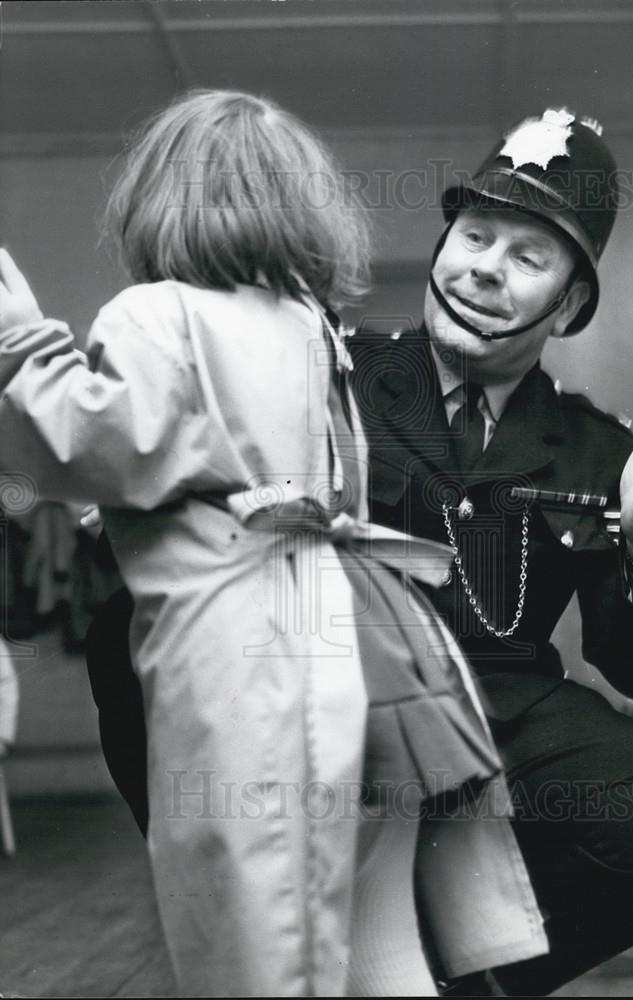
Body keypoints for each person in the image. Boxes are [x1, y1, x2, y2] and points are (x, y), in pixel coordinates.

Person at [82, 107, 633, 996]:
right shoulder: (327, 371)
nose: (483, 267)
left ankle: (457, 982)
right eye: (474, 234)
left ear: (573, 301)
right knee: (126, 617)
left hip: (506, 721)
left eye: (527, 257)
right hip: (336, 706)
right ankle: (248, 915)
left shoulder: (597, 450)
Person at [0, 90, 552, 997]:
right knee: (378, 930)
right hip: (370, 650)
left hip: (258, 672)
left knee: (263, 917)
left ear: (156, 201)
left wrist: (24, 345)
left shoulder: (155, 314)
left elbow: (93, 444)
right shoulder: (309, 324)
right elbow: (265, 474)